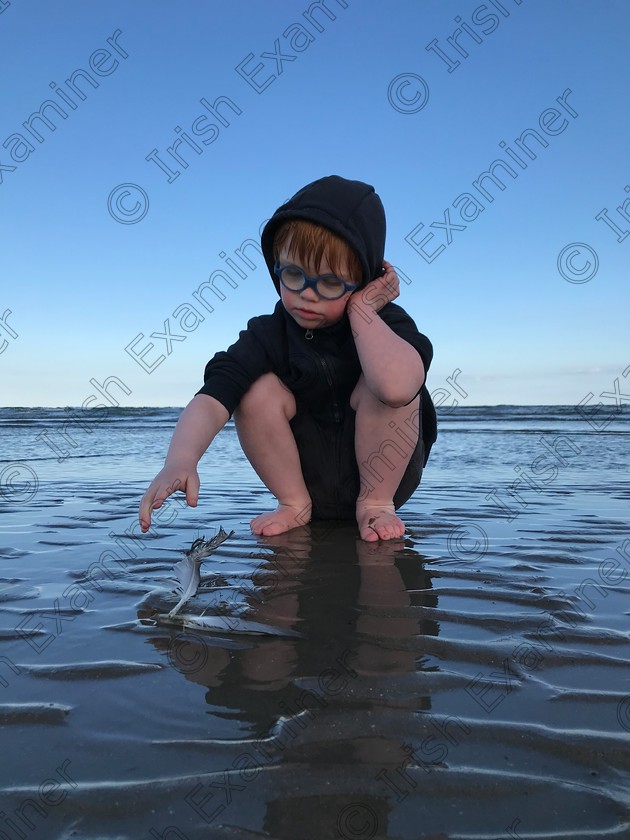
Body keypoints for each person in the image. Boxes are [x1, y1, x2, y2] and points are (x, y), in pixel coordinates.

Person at [139, 175, 437, 542]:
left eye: (330, 283)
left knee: (386, 378)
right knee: (253, 386)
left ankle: (374, 506)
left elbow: (397, 387)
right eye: (294, 275)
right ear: (276, 267)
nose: (307, 295)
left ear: (363, 283)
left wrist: (363, 312)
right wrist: (180, 460)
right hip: (307, 483)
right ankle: (293, 504)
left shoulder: (386, 324)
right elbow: (214, 395)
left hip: (384, 483)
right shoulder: (269, 333)